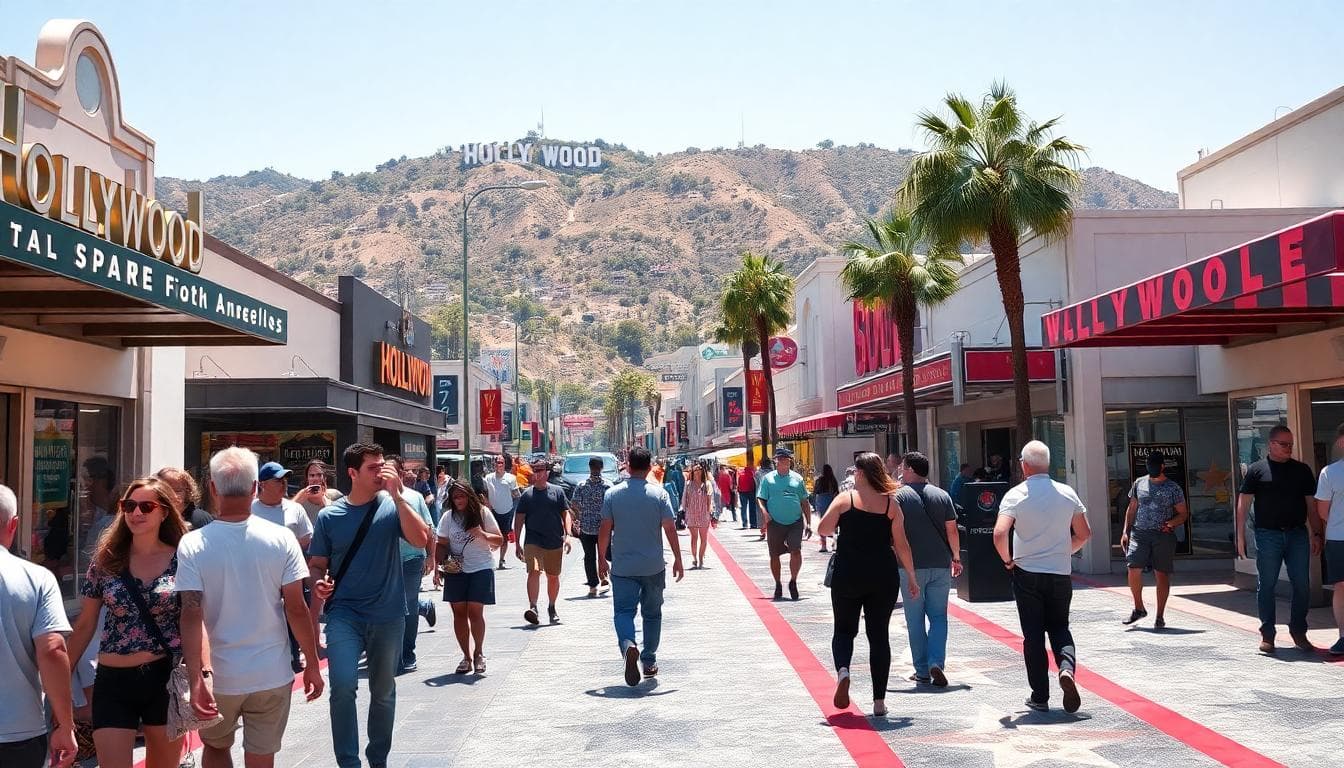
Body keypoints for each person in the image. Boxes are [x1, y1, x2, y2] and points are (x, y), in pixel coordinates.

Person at [176, 447, 323, 768]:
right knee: (262, 756)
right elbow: (296, 608)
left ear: (212, 488)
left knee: (215, 748)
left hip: (219, 675)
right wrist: (311, 662)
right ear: (255, 487)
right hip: (270, 672)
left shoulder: (193, 543)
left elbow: (190, 613)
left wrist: (197, 677)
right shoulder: (282, 539)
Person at [309, 443, 433, 768]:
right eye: (373, 468)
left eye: (383, 465)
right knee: (344, 685)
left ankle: (378, 759)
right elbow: (318, 563)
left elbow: (421, 540)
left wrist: (397, 496)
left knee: (382, 691)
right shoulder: (329, 516)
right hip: (344, 614)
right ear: (353, 473)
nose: (382, 472)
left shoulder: (392, 507)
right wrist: (318, 584)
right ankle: (348, 762)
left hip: (388, 614)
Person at [67, 477, 188, 767]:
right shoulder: (106, 561)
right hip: (112, 679)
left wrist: (203, 674)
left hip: (163, 679)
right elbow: (84, 625)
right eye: (129, 506)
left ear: (164, 512)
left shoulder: (183, 560)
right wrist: (58, 677)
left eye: (146, 506)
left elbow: (194, 622)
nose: (136, 513)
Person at [816, 454, 918, 717]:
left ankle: (843, 671)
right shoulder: (890, 505)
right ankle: (879, 701)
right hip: (883, 576)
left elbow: (824, 530)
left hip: (848, 574)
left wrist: (841, 519)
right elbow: (902, 544)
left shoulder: (845, 499)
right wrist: (912, 577)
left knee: (844, 630)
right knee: (879, 636)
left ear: (860, 474)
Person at [993, 440, 1091, 713]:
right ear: (1047, 463)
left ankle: (1040, 696)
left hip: (1027, 573)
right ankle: (1067, 668)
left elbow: (1000, 533)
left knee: (1033, 636)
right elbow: (1084, 534)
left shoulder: (1016, 494)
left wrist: (1008, 560)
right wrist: (1063, 551)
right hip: (1060, 572)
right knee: (1060, 627)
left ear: (1024, 465)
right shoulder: (1067, 492)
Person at [0, 483, 77, 768]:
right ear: (13, 525)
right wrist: (66, 725)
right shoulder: (36, 578)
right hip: (17, 731)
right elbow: (53, 649)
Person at [597, 447, 684, 685]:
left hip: (623, 567)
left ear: (627, 465)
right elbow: (669, 528)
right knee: (652, 614)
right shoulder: (660, 495)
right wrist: (678, 557)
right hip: (653, 566)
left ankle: (628, 645)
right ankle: (649, 660)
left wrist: (601, 557)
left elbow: (605, 528)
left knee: (624, 612)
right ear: (648, 468)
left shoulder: (612, 495)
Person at [1236, 425, 1321, 653]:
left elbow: (1311, 505)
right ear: (1271, 444)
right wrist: (1240, 535)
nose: (1289, 448)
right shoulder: (1257, 470)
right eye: (1284, 444)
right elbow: (1243, 504)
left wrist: (1316, 532)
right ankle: (1268, 635)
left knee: (1302, 585)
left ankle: (1299, 631)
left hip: (1297, 534)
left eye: (1291, 444)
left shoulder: (1302, 470)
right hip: (1267, 535)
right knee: (1267, 585)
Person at [895, 452, 961, 687]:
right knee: (938, 617)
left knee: (914, 619)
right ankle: (936, 662)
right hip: (940, 564)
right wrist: (956, 557)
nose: (900, 471)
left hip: (910, 567)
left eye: (903, 467)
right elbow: (952, 530)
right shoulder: (942, 495)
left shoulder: (899, 497)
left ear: (911, 469)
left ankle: (922, 670)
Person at [254, 461, 319, 673]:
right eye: (277, 480)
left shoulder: (295, 509)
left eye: (285, 480)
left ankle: (294, 654)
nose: (283, 484)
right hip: (260, 575)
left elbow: (307, 537)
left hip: (291, 572)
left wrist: (286, 548)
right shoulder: (250, 509)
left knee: (296, 610)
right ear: (262, 484)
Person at [435, 481, 503, 674]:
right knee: (459, 614)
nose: (458, 500)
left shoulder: (482, 513)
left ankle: (479, 653)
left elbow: (499, 540)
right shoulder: (448, 517)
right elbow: (441, 543)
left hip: (481, 567)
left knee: (475, 612)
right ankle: (466, 656)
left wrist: (482, 534)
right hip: (456, 569)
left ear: (469, 496)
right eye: (455, 497)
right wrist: (436, 566)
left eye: (462, 496)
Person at [1120, 453, 1188, 628]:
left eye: (1155, 465)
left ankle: (1160, 616)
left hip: (1162, 535)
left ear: (1162, 466)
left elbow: (1183, 513)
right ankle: (1138, 608)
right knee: (1133, 568)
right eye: (1149, 465)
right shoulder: (1139, 483)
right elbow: (1132, 507)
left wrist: (1171, 523)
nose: (1151, 468)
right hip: (1139, 533)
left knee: (1161, 574)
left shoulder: (1173, 488)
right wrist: (1125, 532)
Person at [388, 455, 438, 674]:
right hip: (385, 562)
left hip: (411, 560)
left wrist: (431, 557)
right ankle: (391, 652)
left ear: (399, 473)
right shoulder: (375, 498)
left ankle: (408, 653)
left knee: (407, 606)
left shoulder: (415, 497)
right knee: (390, 607)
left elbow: (429, 529)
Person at [514, 456, 574, 625]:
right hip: (533, 540)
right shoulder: (527, 495)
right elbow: (519, 519)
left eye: (540, 470)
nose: (537, 474)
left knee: (553, 577)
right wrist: (517, 542)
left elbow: (566, 513)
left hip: (554, 540)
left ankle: (552, 607)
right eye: (535, 471)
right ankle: (533, 607)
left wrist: (568, 535)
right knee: (533, 571)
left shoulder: (557, 491)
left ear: (547, 473)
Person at [757, 447, 812, 600]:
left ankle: (793, 581)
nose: (783, 462)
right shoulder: (768, 479)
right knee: (774, 555)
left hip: (795, 521)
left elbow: (804, 502)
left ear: (790, 461)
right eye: (780, 459)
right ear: (776, 461)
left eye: (785, 459)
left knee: (796, 551)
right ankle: (778, 584)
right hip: (775, 522)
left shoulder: (797, 479)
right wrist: (765, 513)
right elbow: (761, 498)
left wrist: (809, 523)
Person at [1314, 422, 1344, 656]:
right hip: (1337, 540)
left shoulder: (1330, 473)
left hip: (1337, 538)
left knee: (1341, 587)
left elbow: (1323, 512)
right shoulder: (1330, 472)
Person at [571, 457, 613, 596]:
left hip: (587, 528)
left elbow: (575, 504)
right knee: (605, 554)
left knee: (590, 557)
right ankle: (603, 578)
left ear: (590, 467)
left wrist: (579, 517)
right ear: (602, 467)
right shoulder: (608, 486)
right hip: (603, 528)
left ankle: (594, 585)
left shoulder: (582, 485)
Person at [484, 456, 521, 570]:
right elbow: (484, 493)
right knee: (491, 536)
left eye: (500, 462)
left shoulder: (511, 478)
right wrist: (487, 505)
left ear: (505, 464)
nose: (498, 464)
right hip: (493, 511)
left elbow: (517, 495)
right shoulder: (488, 478)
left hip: (507, 510)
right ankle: (489, 559)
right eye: (496, 462)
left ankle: (501, 559)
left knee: (504, 536)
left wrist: (515, 510)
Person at [155, 467, 212, 531]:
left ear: (187, 492)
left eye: (177, 490)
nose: (173, 495)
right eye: (166, 489)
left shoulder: (201, 519)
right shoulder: (152, 516)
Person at [681, 463, 715, 569]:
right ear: (692, 472)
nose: (698, 471)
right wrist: (684, 511)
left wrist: (711, 511)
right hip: (691, 513)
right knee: (694, 538)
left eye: (700, 469)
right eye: (695, 469)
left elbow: (710, 500)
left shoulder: (707, 484)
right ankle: (694, 558)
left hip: (704, 513)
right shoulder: (688, 484)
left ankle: (701, 560)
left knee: (704, 538)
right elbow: (684, 498)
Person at [293, 459, 343, 529]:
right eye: (312, 475)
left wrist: (323, 500)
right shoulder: (302, 496)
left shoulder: (335, 495)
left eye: (319, 475)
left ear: (325, 477)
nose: (315, 479)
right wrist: (300, 498)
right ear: (307, 478)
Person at [812, 465, 840, 553]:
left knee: (822, 522)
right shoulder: (833, 480)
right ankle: (835, 543)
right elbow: (836, 492)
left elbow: (815, 491)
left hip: (821, 501)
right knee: (834, 522)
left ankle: (824, 546)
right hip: (831, 500)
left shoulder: (819, 480)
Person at [753, 456, 773, 539]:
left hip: (760, 495)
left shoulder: (757, 473)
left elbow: (756, 484)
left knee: (761, 513)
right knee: (772, 513)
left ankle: (763, 531)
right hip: (771, 495)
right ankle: (771, 531)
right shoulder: (773, 472)